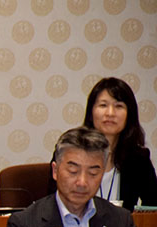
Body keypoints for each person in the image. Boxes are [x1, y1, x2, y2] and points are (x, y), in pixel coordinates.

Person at [3, 126, 152, 227]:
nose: (82, 182)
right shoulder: (25, 223)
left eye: (93, 173)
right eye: (73, 171)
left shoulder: (120, 220)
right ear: (55, 171)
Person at [48, 77, 157, 210]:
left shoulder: (138, 159)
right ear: (91, 111)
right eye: (103, 105)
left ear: (129, 114)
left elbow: (153, 207)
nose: (110, 113)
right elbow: (52, 203)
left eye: (119, 106)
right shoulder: (71, 150)